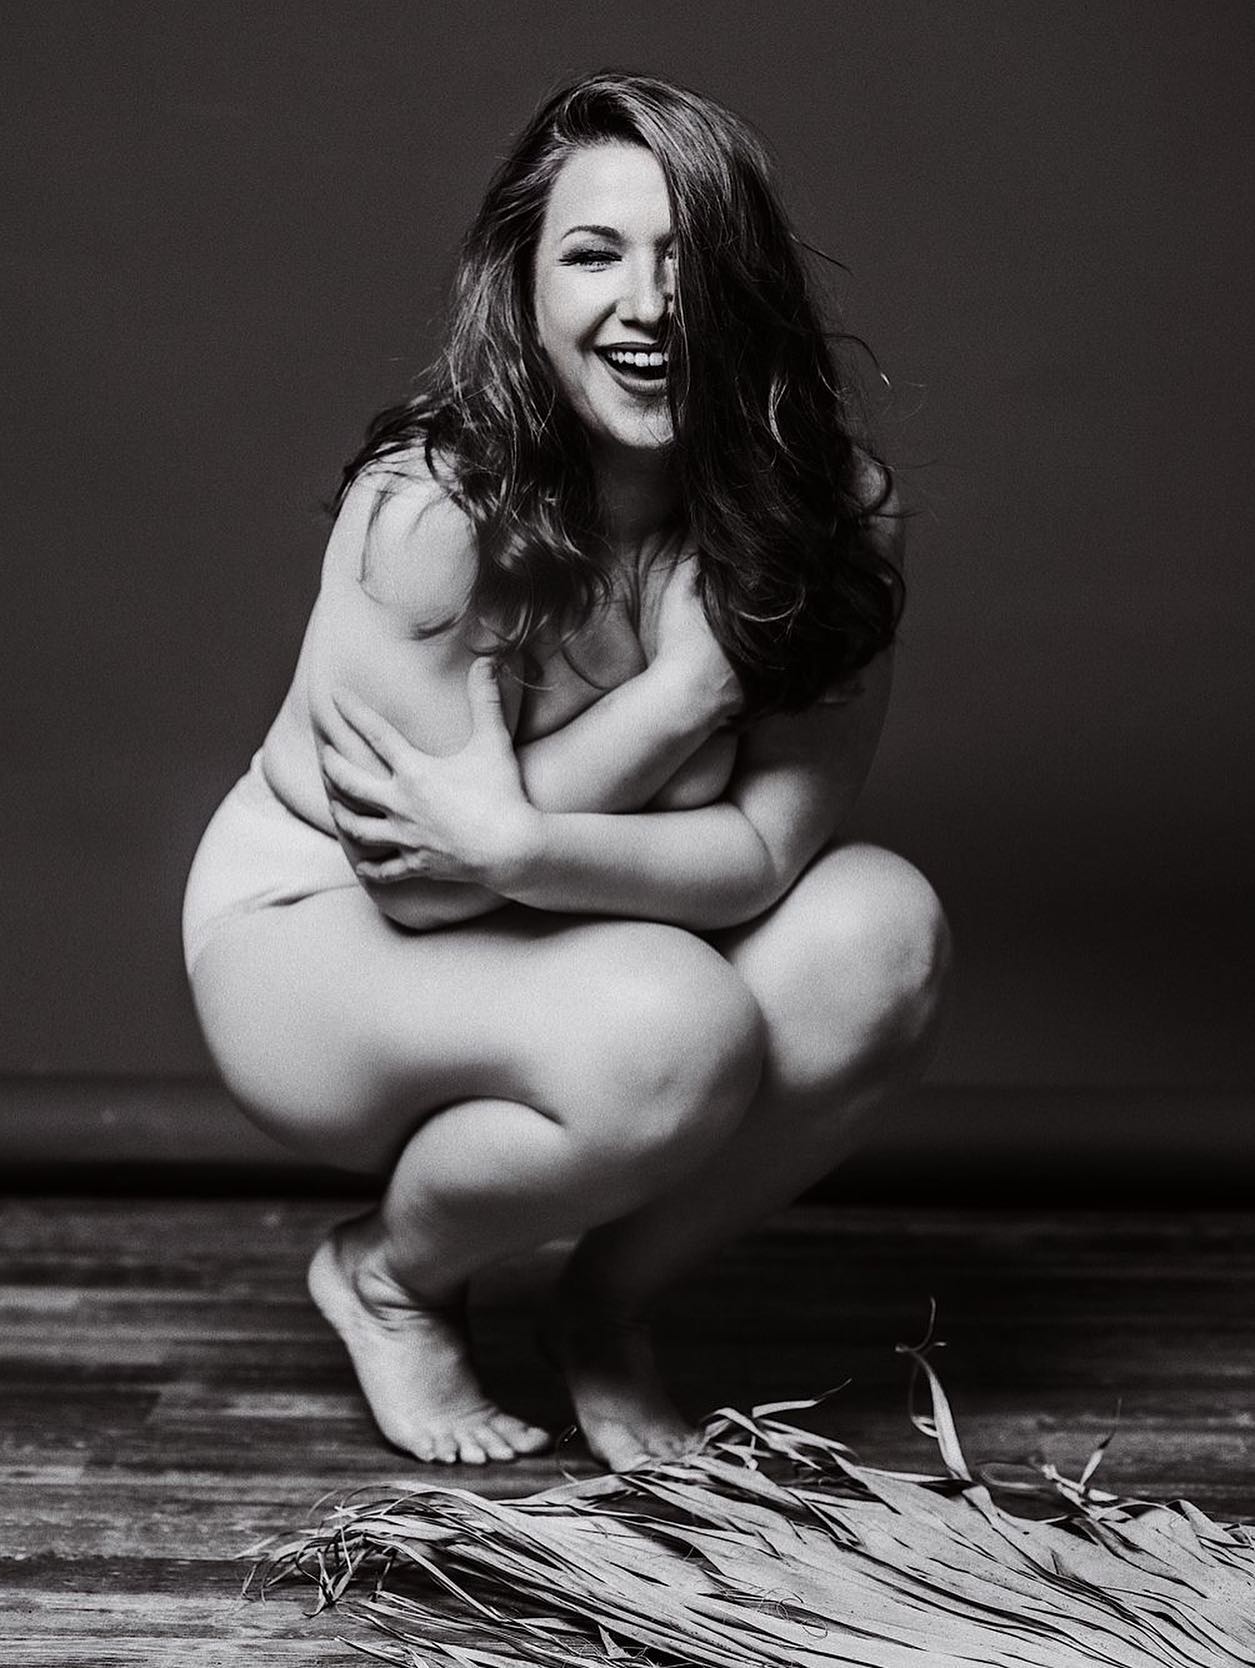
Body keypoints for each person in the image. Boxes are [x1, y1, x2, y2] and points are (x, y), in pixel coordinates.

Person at [182, 71, 950, 1472]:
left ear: (750, 290)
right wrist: (687, 693)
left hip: (573, 919)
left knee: (881, 932)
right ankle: (389, 1275)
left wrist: (524, 840)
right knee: (672, 1024)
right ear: (524, 288)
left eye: (690, 263)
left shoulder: (834, 516)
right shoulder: (428, 509)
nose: (649, 306)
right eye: (595, 255)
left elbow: (767, 854)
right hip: (316, 936)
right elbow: (423, 886)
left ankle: (605, 1304)